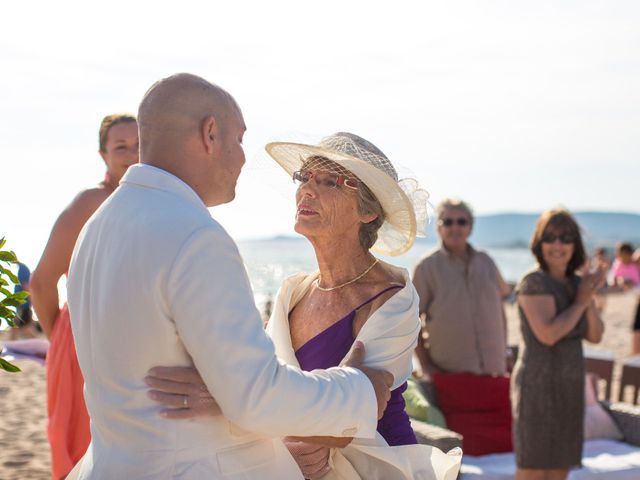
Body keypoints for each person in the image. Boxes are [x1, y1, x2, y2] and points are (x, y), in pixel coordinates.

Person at [66, 74, 395, 480]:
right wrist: (361, 392)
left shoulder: (96, 227)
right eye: (239, 140)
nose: (242, 158)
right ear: (210, 134)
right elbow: (256, 397)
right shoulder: (194, 237)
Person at [146, 132, 462, 480]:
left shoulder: (393, 297)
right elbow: (267, 382)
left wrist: (221, 401)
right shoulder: (292, 293)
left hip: (377, 468)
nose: (307, 190)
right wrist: (279, 442)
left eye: (330, 181)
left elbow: (354, 414)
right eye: (305, 177)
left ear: (368, 212)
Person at [30, 112, 138, 479]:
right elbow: (41, 283)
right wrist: (60, 341)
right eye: (121, 146)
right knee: (79, 449)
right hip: (81, 344)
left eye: (140, 144)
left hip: (135, 344)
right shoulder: (89, 202)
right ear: (103, 154)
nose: (132, 154)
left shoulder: (152, 202)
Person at [511, 208, 605, 480]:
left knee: (560, 466)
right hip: (537, 387)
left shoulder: (579, 283)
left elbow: (596, 335)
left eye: (565, 238)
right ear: (540, 243)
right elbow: (548, 334)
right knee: (533, 466)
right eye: (550, 238)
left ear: (575, 244)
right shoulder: (533, 282)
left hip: (569, 387)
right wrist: (581, 301)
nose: (558, 245)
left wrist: (587, 295)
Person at [412, 198, 512, 378]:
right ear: (439, 227)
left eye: (462, 222)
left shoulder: (486, 262)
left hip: (494, 370)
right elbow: (411, 320)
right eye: (448, 222)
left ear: (470, 227)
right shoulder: (426, 267)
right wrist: (426, 366)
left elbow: (500, 307)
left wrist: (504, 351)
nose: (455, 227)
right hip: (448, 374)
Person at [609, 242, 640, 354]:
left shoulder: (636, 262)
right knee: (636, 328)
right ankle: (636, 355)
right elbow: (613, 278)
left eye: (620, 254)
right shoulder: (618, 264)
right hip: (636, 298)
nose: (618, 256)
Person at [9, 262, 38, 340]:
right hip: (21, 302)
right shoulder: (22, 268)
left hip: (23, 302)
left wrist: (31, 298)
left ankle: (37, 343)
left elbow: (25, 285)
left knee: (24, 325)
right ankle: (11, 342)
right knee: (22, 324)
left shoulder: (23, 269)